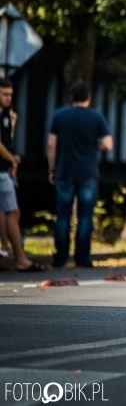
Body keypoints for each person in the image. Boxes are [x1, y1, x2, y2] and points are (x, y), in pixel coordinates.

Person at [47, 81, 113, 268]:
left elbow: (51, 145)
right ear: (88, 98)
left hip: (65, 171)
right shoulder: (96, 117)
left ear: (71, 97)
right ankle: (82, 257)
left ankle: (60, 257)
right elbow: (108, 144)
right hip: (88, 172)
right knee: (85, 216)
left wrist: (52, 168)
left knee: (62, 216)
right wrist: (96, 145)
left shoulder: (59, 116)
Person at [0, 79, 44, 273]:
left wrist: (11, 157)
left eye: (10, 94)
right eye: (4, 94)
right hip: (1, 171)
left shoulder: (7, 116)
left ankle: (9, 251)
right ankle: (20, 259)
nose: (8, 98)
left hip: (4, 170)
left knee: (6, 212)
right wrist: (13, 160)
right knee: (12, 212)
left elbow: (6, 142)